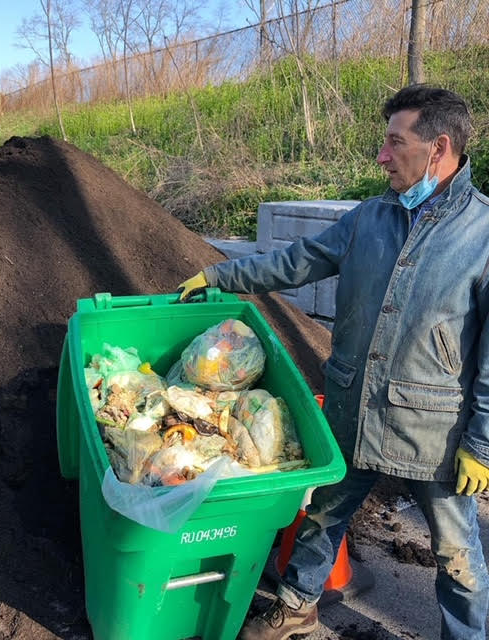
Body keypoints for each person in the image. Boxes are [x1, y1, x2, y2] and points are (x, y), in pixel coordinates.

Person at [178, 85, 489, 640]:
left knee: (457, 554)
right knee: (324, 515)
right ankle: (297, 606)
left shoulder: (483, 234)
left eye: (395, 142)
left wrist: (482, 443)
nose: (382, 155)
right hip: (354, 405)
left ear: (438, 148)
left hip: (434, 427)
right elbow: (299, 260)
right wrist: (222, 275)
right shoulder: (369, 218)